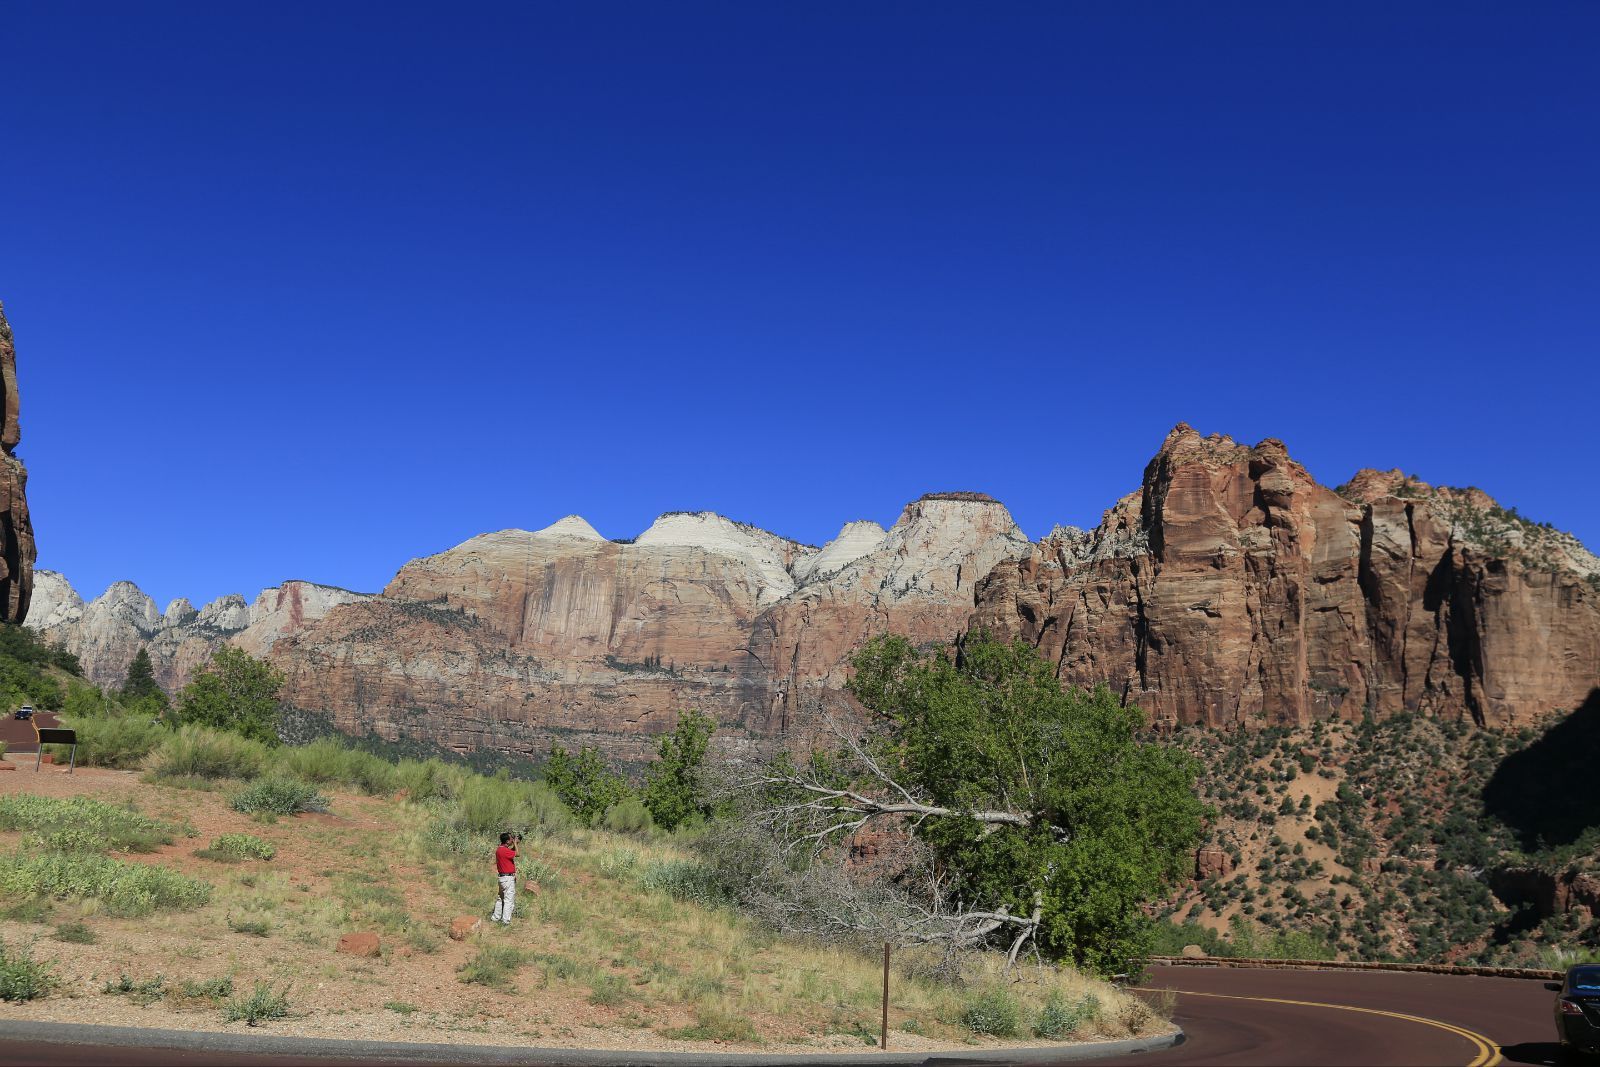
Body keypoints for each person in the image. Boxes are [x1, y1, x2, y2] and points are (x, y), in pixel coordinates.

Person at [490, 831, 518, 925]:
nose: (512, 840)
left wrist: (515, 844)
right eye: (511, 839)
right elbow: (517, 854)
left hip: (502, 878)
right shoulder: (505, 850)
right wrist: (515, 844)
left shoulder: (500, 849)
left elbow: (511, 852)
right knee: (508, 900)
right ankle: (505, 921)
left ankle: (495, 917)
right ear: (507, 841)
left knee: (500, 898)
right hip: (508, 878)